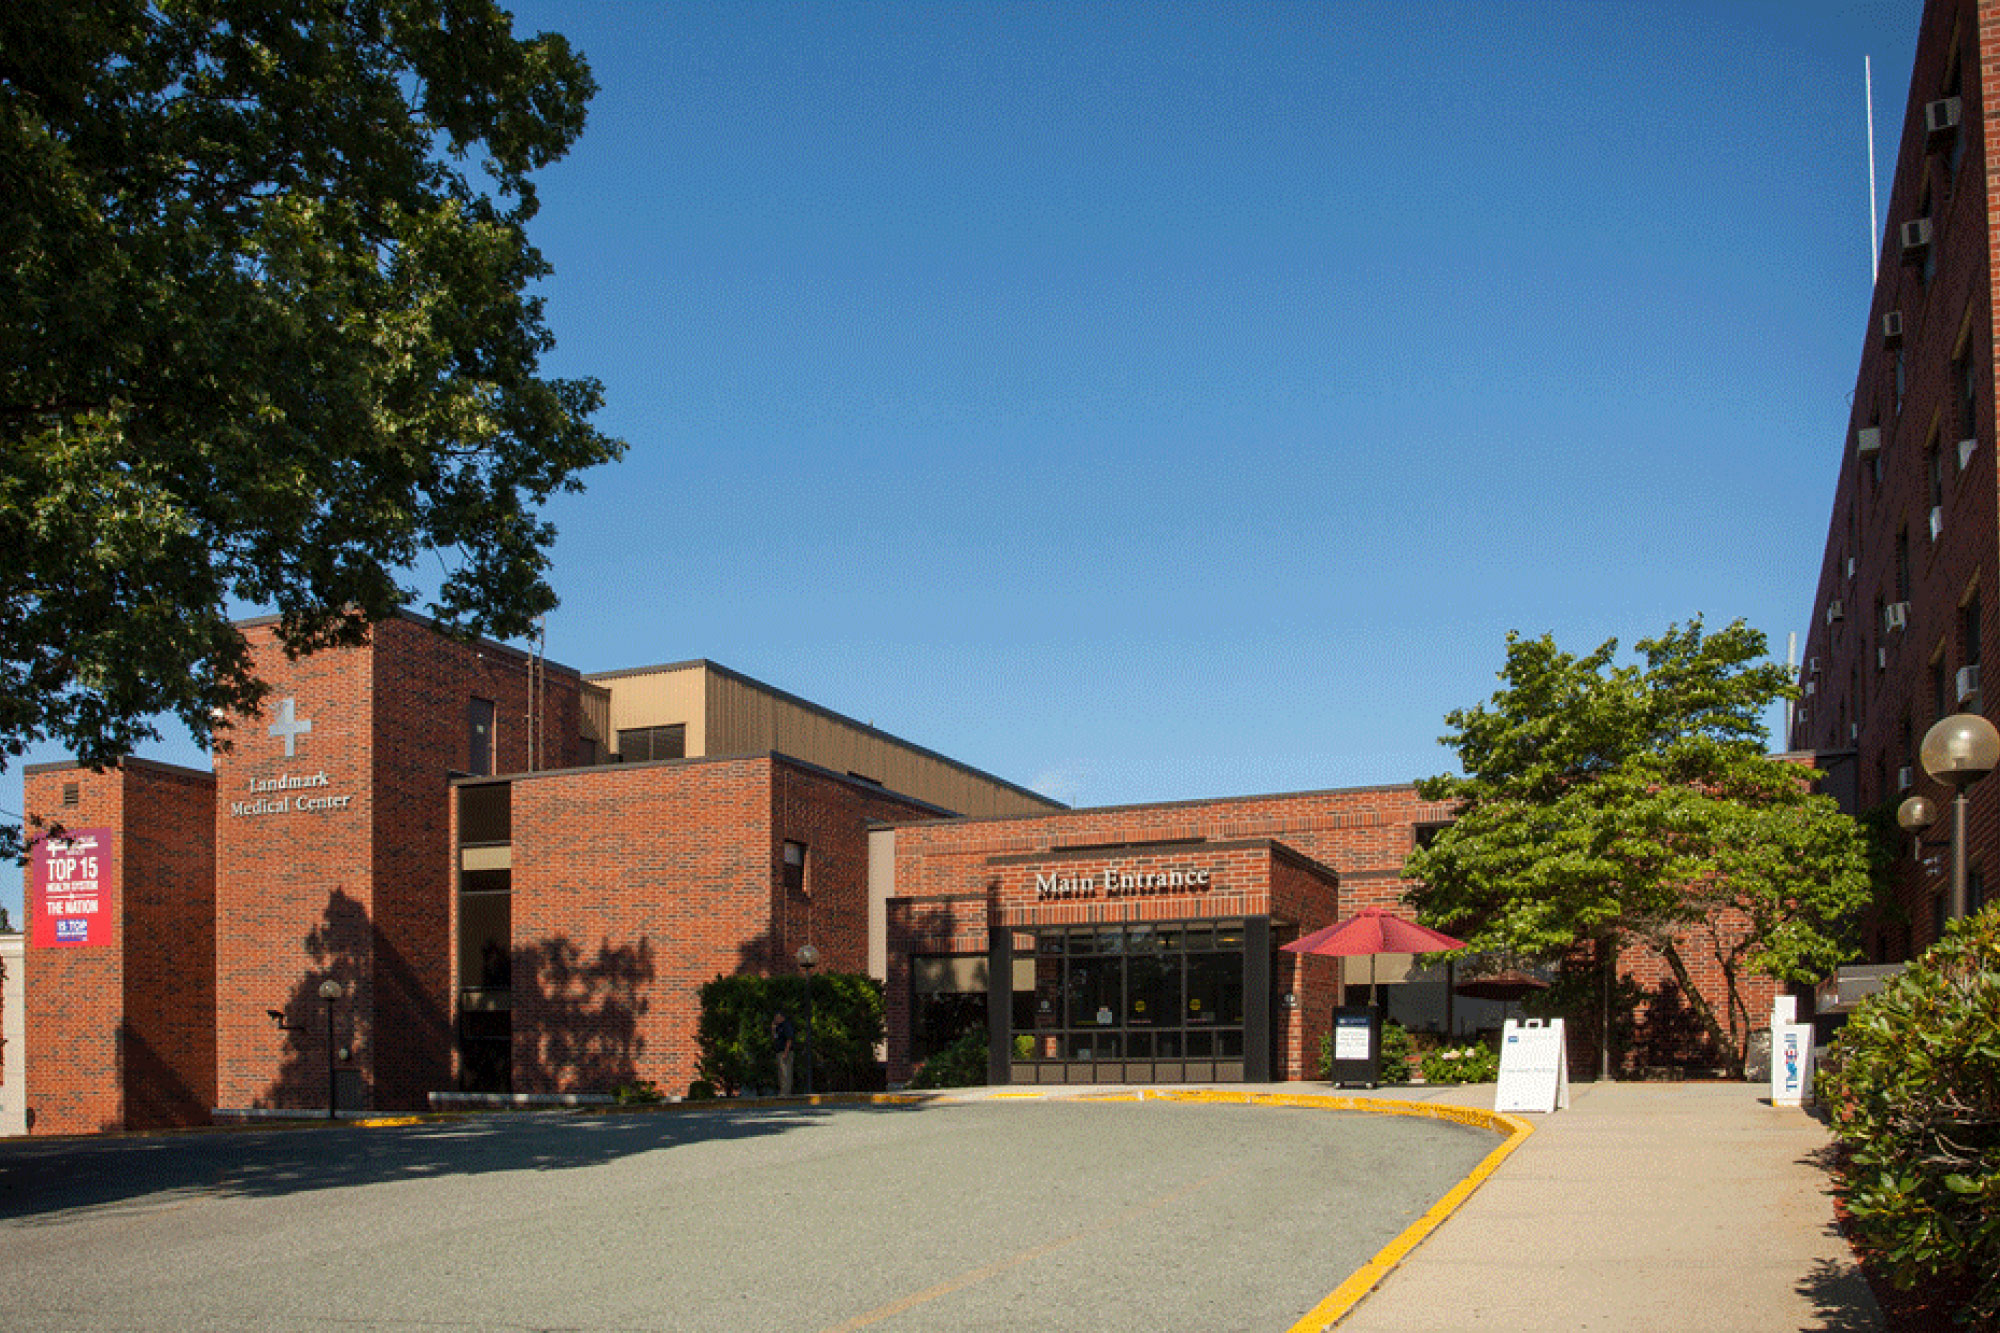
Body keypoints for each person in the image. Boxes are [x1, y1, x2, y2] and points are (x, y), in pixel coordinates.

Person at [772, 1009, 796, 1096]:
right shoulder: (778, 1027)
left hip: (785, 1052)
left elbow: (789, 1039)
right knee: (781, 1072)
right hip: (779, 1051)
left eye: (776, 1017)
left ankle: (786, 1092)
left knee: (786, 1072)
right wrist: (773, 1029)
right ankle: (782, 1090)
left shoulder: (786, 1025)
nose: (775, 1019)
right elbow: (775, 1038)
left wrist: (786, 1052)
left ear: (781, 1017)